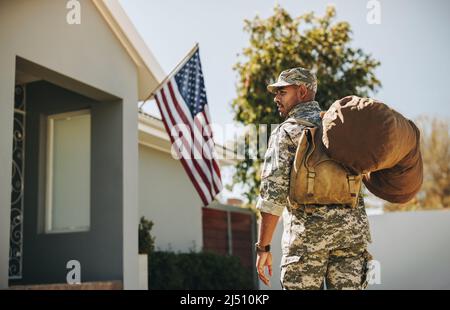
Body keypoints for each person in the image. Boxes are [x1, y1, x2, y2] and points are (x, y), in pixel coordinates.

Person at [255, 67, 372, 290]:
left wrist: (263, 248)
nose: (276, 98)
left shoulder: (286, 132)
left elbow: (272, 196)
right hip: (351, 241)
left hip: (306, 245)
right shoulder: (341, 127)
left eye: (282, 92)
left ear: (301, 92)